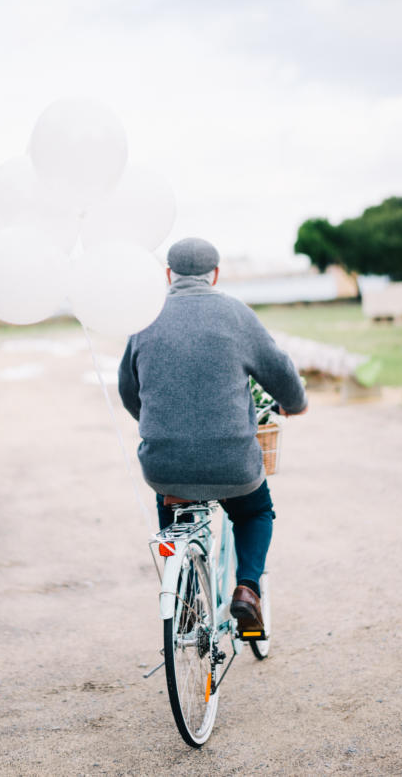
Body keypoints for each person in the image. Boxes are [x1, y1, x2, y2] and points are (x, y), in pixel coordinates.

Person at [117, 237, 308, 634]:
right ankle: (248, 590)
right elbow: (279, 370)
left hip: (165, 465)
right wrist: (297, 402)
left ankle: (184, 595)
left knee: (171, 504)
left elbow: (127, 390)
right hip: (233, 464)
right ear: (215, 274)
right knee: (255, 511)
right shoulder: (235, 314)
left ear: (169, 275)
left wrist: (154, 422)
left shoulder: (144, 318)